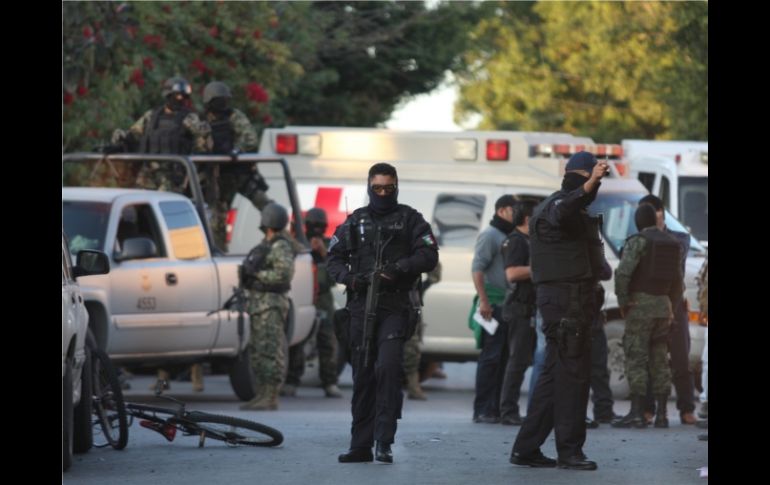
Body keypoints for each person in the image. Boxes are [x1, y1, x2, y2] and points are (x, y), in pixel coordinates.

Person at [328, 162, 438, 464]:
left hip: (396, 306)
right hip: (361, 306)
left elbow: (429, 254)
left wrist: (400, 268)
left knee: (388, 369)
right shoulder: (356, 221)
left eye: (389, 188)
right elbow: (333, 258)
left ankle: (384, 441)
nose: (383, 193)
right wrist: (350, 279)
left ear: (396, 187)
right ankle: (360, 445)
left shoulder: (410, 219)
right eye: (377, 188)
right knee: (363, 375)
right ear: (369, 187)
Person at [510, 151, 609, 471]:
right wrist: (591, 184)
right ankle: (570, 451)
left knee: (554, 376)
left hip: (569, 301)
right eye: (591, 178)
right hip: (566, 303)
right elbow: (565, 209)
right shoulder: (558, 205)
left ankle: (526, 449)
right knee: (573, 378)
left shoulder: (565, 207)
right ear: (583, 176)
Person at [611, 204, 683, 429]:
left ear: (637, 222)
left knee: (636, 357)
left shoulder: (638, 242)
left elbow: (623, 274)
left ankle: (637, 413)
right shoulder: (673, 243)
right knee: (660, 359)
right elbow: (678, 282)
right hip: (663, 306)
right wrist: (670, 305)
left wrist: (624, 303)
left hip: (640, 306)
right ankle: (662, 415)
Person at [638, 194, 697, 426]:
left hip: (675, 304)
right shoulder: (640, 239)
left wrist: (657, 233)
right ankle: (647, 409)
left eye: (652, 212)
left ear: (661, 213)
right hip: (650, 305)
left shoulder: (680, 238)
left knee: (681, 359)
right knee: (649, 359)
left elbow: (676, 255)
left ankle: (686, 409)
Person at [198, 80, 270, 250]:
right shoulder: (201, 121)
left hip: (239, 174)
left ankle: (279, 241)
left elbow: (250, 138)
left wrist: (237, 150)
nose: (223, 104)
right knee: (217, 221)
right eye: (219, 100)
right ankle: (219, 254)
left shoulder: (234, 116)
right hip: (216, 178)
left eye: (225, 100)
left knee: (267, 207)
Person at [239, 203, 297, 410]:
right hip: (259, 304)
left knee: (270, 350)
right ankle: (262, 393)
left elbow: (284, 274)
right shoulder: (267, 244)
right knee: (257, 350)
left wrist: (257, 275)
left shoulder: (280, 246)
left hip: (271, 305)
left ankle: (271, 396)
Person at [282, 208, 343, 399]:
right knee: (298, 340)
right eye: (313, 225)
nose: (316, 229)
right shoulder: (298, 244)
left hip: (323, 298)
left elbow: (337, 273)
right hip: (304, 296)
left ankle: (330, 382)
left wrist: (323, 252)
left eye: (320, 226)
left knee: (327, 341)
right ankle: (292, 380)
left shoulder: (331, 245)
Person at [469, 194, 517, 424]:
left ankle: (495, 408)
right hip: (493, 305)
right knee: (491, 358)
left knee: (504, 359)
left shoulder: (509, 235)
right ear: (501, 211)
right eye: (513, 210)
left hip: (508, 305)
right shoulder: (490, 235)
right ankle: (482, 410)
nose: (517, 214)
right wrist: (484, 301)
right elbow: (477, 269)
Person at [499, 200, 537, 426]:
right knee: (517, 361)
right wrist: (538, 269)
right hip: (519, 308)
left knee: (522, 361)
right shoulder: (516, 241)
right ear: (527, 218)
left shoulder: (528, 241)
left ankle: (510, 409)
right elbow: (512, 273)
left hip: (529, 308)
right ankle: (508, 410)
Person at [112, 76, 212, 155]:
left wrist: (202, 133)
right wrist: (122, 136)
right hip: (149, 172)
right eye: (177, 95)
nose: (181, 99)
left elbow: (203, 148)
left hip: (178, 172)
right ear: (168, 95)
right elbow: (134, 135)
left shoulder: (190, 118)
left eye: (184, 96)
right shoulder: (151, 116)